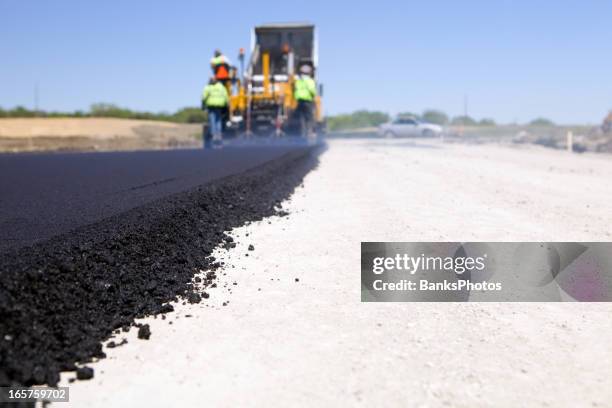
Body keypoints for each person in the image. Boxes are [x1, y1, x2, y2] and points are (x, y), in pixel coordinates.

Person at [201, 78, 229, 148]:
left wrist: (203, 105)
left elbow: (203, 97)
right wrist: (227, 105)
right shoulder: (221, 87)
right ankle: (218, 135)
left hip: (211, 106)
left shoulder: (208, 87)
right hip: (219, 105)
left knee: (212, 120)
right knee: (218, 120)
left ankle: (214, 135)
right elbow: (226, 96)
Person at [293, 65, 317, 137]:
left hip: (299, 102)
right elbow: (312, 90)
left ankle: (302, 134)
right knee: (310, 118)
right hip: (307, 101)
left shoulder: (298, 82)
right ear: (309, 73)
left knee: (301, 119)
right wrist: (313, 96)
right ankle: (312, 132)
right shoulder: (310, 81)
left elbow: (295, 90)